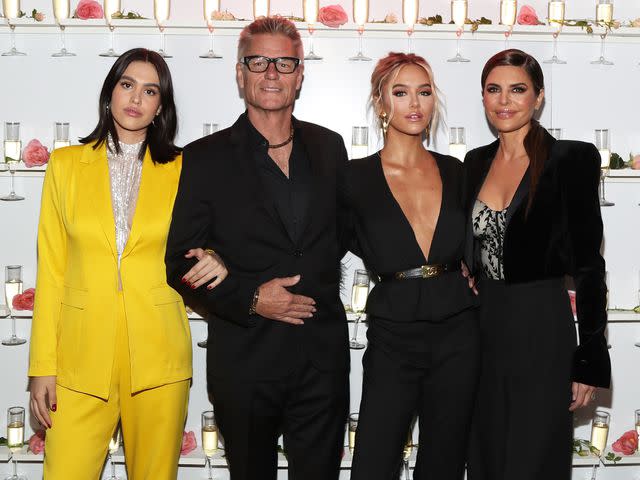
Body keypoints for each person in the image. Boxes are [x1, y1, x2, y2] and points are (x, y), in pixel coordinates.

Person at [28, 48, 226, 479]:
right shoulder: (64, 166)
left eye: (150, 90)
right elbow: (53, 271)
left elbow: (216, 237)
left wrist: (218, 256)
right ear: (110, 93)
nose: (136, 98)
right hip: (78, 358)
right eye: (127, 84)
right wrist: (42, 367)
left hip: (159, 356)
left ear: (160, 107)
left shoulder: (182, 169)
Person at [165, 17, 349, 480]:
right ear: (240, 72)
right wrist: (250, 296)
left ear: (300, 74)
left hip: (322, 362)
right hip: (245, 363)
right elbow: (178, 263)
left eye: (285, 62)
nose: (272, 72)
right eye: (259, 61)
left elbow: (350, 234)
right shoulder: (205, 157)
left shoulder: (330, 148)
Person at [463, 49, 611, 480]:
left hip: (542, 326)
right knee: (486, 453)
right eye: (494, 89)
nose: (504, 101)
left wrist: (589, 358)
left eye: (517, 90)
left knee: (534, 456)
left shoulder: (572, 159)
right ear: (484, 97)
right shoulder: (474, 163)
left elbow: (589, 267)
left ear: (538, 97)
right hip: (482, 328)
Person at [339, 52, 479, 480]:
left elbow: (485, 238)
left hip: (459, 331)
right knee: (374, 461)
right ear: (381, 103)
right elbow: (315, 246)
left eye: (424, 92)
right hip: (393, 335)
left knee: (445, 461)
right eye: (400, 93)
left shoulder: (457, 171)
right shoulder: (353, 177)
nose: (414, 103)